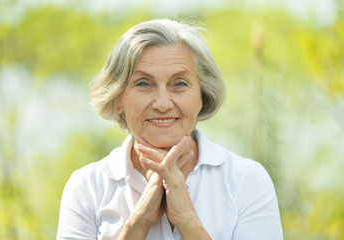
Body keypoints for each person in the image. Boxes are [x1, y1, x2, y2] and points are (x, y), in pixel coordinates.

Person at [57, 19, 283, 240]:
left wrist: (187, 220)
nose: (163, 104)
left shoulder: (247, 180)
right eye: (143, 84)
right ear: (118, 98)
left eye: (179, 84)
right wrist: (139, 221)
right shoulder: (87, 186)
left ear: (202, 95)